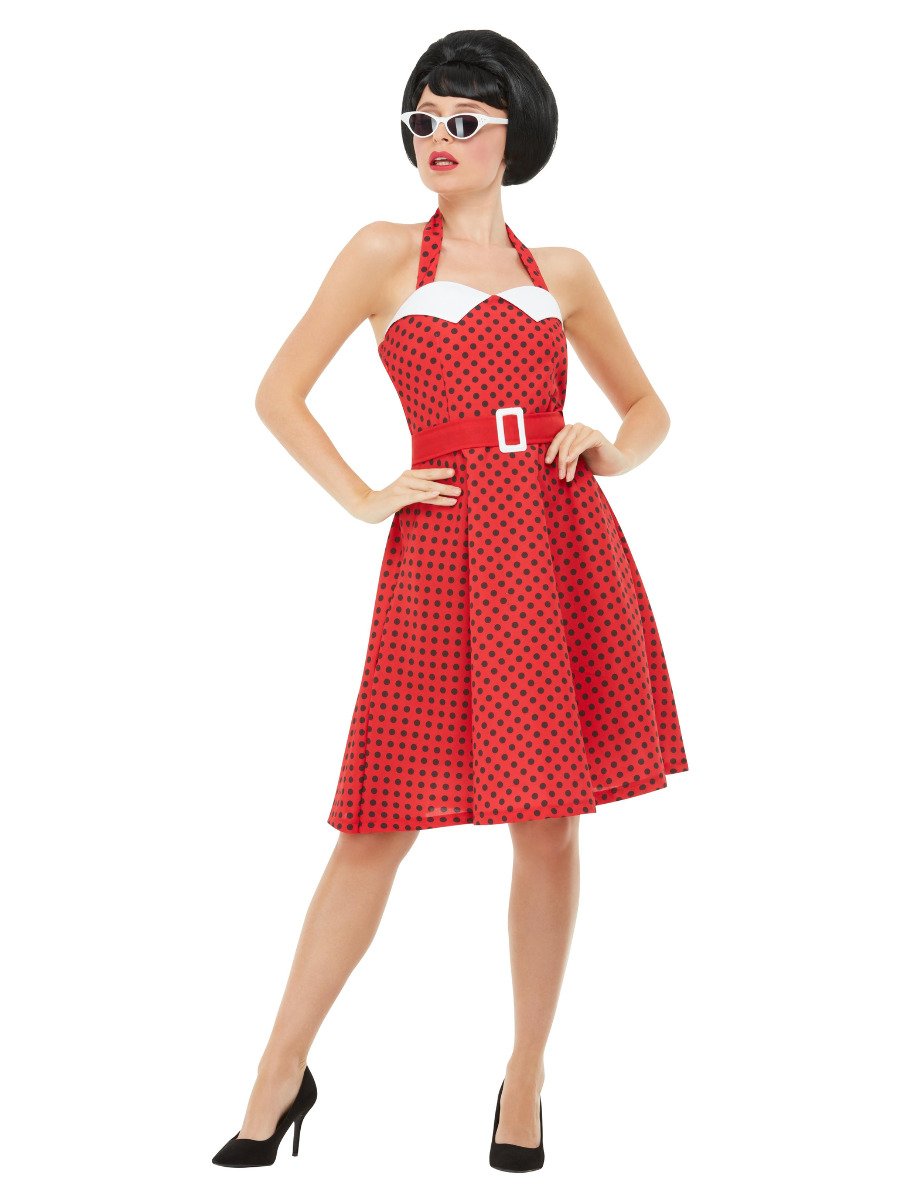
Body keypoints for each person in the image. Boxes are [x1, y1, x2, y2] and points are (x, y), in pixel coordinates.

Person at [212, 28, 689, 1174]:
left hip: (557, 539)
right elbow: (278, 393)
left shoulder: (562, 271)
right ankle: (279, 1071)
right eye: (423, 119)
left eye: (464, 121)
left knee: (550, 824)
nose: (439, 138)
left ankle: (526, 1077)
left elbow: (650, 410)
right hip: (439, 544)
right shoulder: (383, 254)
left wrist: (608, 446)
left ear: (515, 133)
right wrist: (363, 496)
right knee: (379, 817)